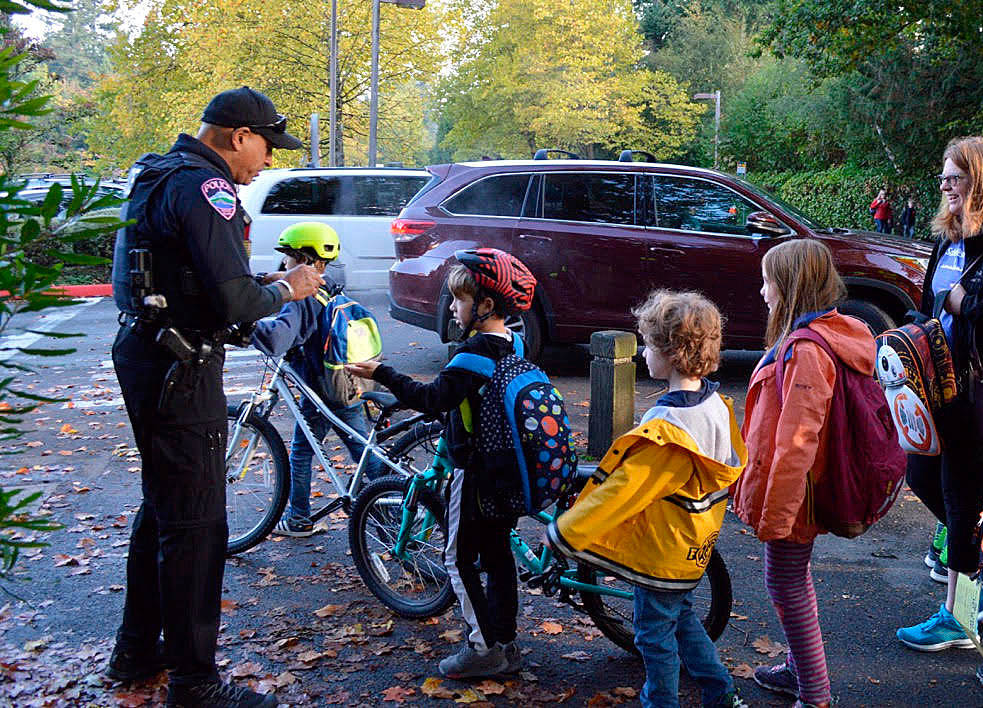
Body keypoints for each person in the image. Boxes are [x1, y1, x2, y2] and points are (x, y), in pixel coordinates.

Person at [107, 86, 323, 708]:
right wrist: (289, 289)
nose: (268, 161)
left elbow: (188, 277)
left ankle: (136, 650)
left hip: (146, 353)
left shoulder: (158, 172)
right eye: (266, 147)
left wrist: (259, 283)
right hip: (180, 370)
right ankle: (195, 682)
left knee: (163, 506)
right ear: (238, 136)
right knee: (197, 523)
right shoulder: (208, 188)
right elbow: (234, 303)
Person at [547, 290, 747, 708]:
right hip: (693, 544)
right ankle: (720, 690)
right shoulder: (715, 404)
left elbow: (623, 491)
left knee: (653, 637)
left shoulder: (668, 429)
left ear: (672, 353)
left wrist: (566, 532)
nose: (642, 353)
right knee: (683, 620)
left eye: (649, 345)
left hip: (661, 553)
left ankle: (661, 702)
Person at [347, 248, 535, 680]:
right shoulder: (516, 343)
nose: (451, 306)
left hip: (475, 474)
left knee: (457, 558)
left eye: (459, 300)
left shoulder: (473, 354)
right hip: (506, 471)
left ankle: (483, 648)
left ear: (484, 305)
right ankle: (505, 642)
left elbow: (433, 398)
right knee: (498, 555)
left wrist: (383, 373)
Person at [895, 136, 983, 649]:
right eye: (943, 178)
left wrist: (966, 303)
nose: (946, 187)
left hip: (979, 389)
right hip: (937, 384)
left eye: (955, 177)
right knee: (923, 476)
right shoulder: (950, 234)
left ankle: (960, 617)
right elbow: (935, 304)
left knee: (960, 495)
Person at [734, 238, 877, 708]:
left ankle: (814, 693)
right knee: (793, 578)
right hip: (803, 489)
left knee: (785, 582)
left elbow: (798, 440)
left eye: (767, 282)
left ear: (790, 286)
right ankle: (799, 669)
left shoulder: (806, 350)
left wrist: (776, 515)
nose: (762, 292)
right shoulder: (826, 332)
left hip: (797, 493)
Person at [249, 222, 387, 537]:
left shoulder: (303, 298)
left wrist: (247, 328)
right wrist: (271, 279)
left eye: (287, 257)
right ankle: (392, 512)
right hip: (342, 379)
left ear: (302, 259)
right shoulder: (329, 283)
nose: (284, 262)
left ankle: (301, 518)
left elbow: (278, 338)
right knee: (360, 449)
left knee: (312, 451)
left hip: (322, 387)